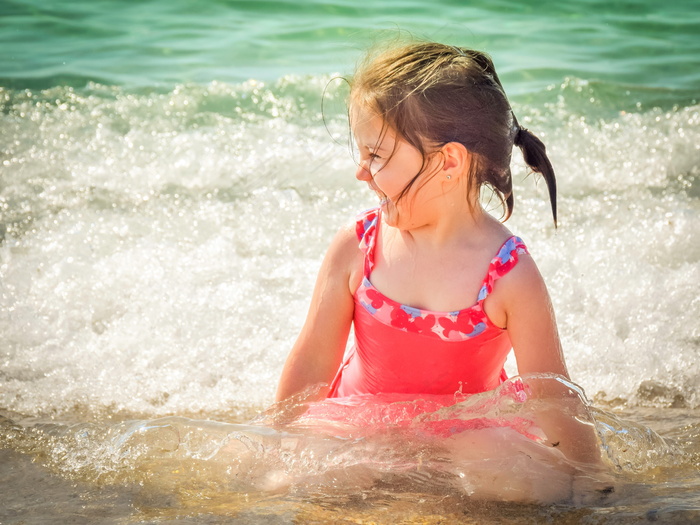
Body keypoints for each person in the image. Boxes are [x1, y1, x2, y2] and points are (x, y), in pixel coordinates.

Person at [275, 42, 604, 485]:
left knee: (509, 476)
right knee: (319, 470)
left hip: (466, 439)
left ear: (448, 161)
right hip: (361, 429)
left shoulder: (507, 273)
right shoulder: (359, 246)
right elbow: (313, 362)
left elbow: (551, 393)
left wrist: (591, 475)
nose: (361, 171)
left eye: (376, 154)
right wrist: (278, 442)